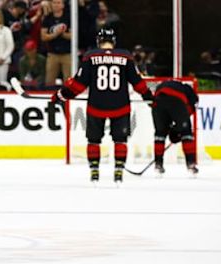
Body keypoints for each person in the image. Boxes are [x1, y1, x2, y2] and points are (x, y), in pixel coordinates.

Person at [51, 28, 153, 184]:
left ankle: (94, 171)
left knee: (93, 141)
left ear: (99, 41)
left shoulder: (90, 57)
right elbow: (138, 82)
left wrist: (61, 96)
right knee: (120, 140)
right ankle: (118, 171)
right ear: (114, 42)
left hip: (96, 106)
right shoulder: (125, 56)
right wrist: (149, 98)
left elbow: (78, 85)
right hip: (121, 106)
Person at [151, 80, 199, 176]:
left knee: (160, 134)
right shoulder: (190, 93)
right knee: (187, 133)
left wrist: (172, 129)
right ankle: (190, 163)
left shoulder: (168, 84)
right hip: (177, 101)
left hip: (158, 102)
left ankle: (158, 163)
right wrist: (178, 130)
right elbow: (188, 113)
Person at [41, 0, 71, 87]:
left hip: (67, 54)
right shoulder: (47, 18)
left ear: (63, 5)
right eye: (54, 2)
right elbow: (43, 36)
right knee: (49, 81)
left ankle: (68, 98)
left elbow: (73, 36)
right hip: (52, 53)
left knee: (68, 81)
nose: (56, 5)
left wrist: (62, 33)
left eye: (58, 2)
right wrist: (55, 34)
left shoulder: (68, 17)